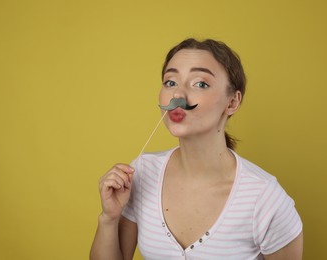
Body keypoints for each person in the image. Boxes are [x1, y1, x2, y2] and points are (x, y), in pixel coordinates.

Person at [90, 38, 303, 260]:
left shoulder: (266, 199)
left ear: (232, 102)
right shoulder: (143, 172)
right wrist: (109, 218)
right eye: (170, 82)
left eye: (200, 83)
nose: (178, 96)